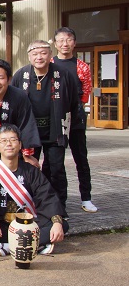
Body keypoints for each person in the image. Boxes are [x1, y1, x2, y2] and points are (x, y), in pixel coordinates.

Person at [0, 124, 68, 256]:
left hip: (30, 223)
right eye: (4, 140)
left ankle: (10, 246)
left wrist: (57, 223)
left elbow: (47, 196)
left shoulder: (31, 171)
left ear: (20, 144)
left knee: (62, 225)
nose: (9, 144)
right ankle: (36, 244)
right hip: (4, 224)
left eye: (13, 140)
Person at [11, 40, 78, 213]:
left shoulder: (63, 74)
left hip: (55, 130)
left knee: (56, 169)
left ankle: (58, 206)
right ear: (29, 56)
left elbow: (72, 100)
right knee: (26, 169)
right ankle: (28, 204)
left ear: (50, 55)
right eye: (35, 53)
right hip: (29, 132)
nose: (39, 57)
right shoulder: (21, 75)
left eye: (43, 53)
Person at [52, 27, 97, 213]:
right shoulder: (49, 63)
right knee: (54, 160)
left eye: (68, 40)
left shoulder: (82, 66)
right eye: (61, 40)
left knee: (81, 157)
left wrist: (76, 109)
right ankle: (54, 199)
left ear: (74, 43)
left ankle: (86, 198)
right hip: (54, 116)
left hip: (76, 115)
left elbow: (86, 90)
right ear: (55, 44)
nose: (65, 44)